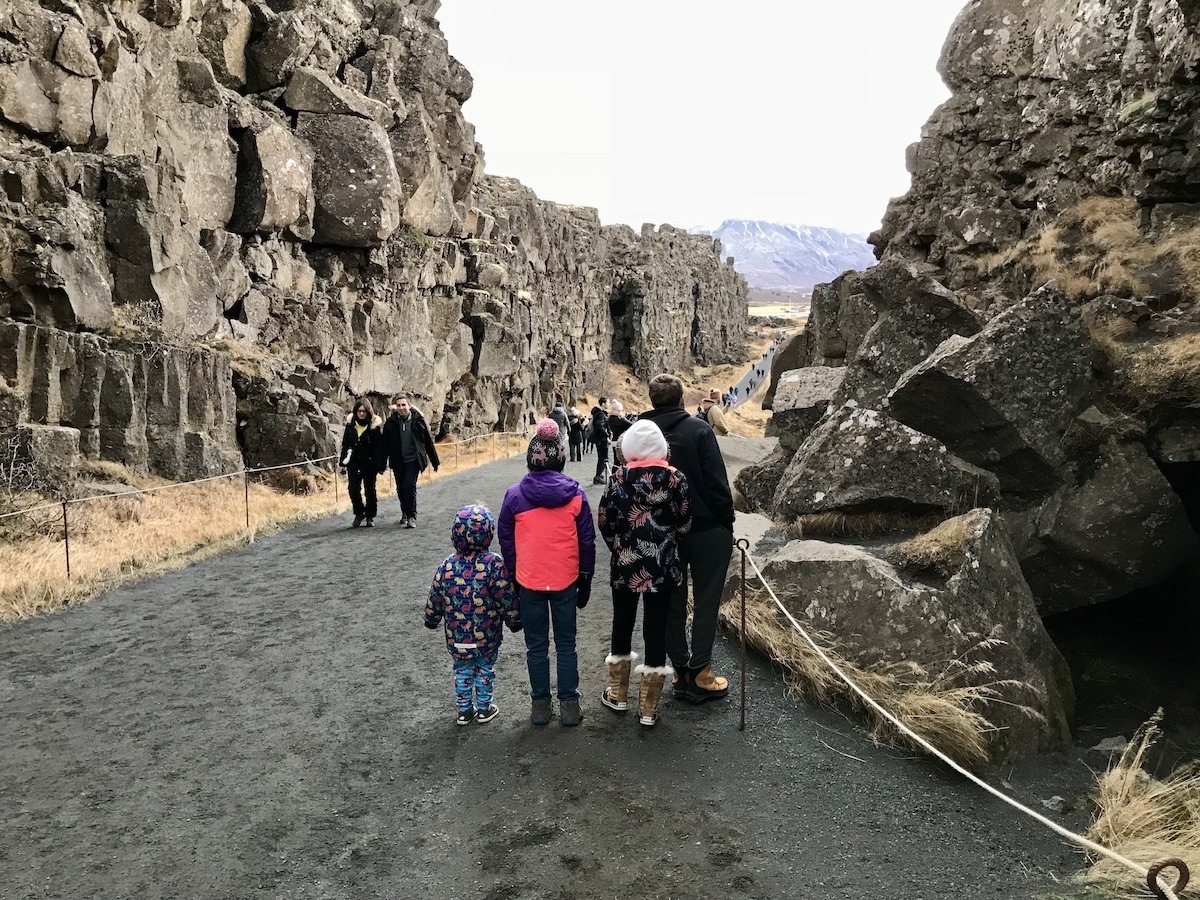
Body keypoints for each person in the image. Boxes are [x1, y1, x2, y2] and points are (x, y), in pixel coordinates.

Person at [638, 374, 735, 704]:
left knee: (671, 602)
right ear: (681, 400)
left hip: (661, 532)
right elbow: (717, 483)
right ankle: (701, 672)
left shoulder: (636, 434)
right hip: (707, 527)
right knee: (707, 600)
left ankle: (679, 670)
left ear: (653, 400)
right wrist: (727, 523)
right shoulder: (699, 430)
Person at [498, 419, 596, 727]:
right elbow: (587, 541)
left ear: (530, 459)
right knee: (566, 643)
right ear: (563, 459)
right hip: (566, 579)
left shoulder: (514, 496)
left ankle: (540, 706)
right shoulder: (576, 496)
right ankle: (569, 706)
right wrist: (586, 578)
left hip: (529, 581)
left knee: (536, 645)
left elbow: (506, 540)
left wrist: (514, 574)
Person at [597, 420, 691, 727]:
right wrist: (670, 542)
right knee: (656, 629)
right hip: (662, 567)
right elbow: (686, 522)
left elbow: (605, 521)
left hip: (626, 565)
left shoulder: (618, 478)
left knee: (622, 623)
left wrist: (618, 547)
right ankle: (649, 708)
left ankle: (618, 694)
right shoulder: (677, 479)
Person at [424, 504, 521, 725]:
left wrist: (431, 619)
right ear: (488, 533)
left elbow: (435, 596)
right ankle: (485, 708)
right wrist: (514, 620)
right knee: (485, 669)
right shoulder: (494, 564)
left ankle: (464, 710)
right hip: (486, 636)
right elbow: (504, 596)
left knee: (462, 670)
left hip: (457, 637)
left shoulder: (447, 565)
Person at [382, 394, 440, 529]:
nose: (401, 408)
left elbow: (427, 441)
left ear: (409, 406)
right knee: (401, 489)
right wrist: (381, 463)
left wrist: (434, 460)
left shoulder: (418, 420)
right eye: (398, 405)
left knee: (409, 486)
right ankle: (405, 511)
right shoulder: (390, 423)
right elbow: (384, 445)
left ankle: (411, 516)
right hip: (398, 460)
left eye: (404, 405)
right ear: (395, 407)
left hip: (413, 459)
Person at [338, 398, 386, 528]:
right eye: (359, 411)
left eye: (364, 411)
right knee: (353, 489)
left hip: (369, 463)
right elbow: (345, 444)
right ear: (356, 411)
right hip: (353, 462)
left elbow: (378, 448)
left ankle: (370, 516)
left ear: (368, 412)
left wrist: (380, 466)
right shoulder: (350, 425)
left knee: (370, 490)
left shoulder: (374, 427)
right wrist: (342, 463)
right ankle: (359, 513)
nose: (362, 414)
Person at [589, 401, 610, 485]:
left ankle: (599, 475)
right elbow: (599, 426)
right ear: (603, 403)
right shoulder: (600, 414)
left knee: (601, 458)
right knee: (603, 458)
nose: (608, 404)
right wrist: (607, 435)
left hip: (598, 439)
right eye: (607, 403)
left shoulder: (596, 413)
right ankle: (598, 476)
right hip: (602, 439)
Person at [607, 400, 633, 468]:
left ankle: (613, 476)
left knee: (616, 461)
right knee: (621, 462)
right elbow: (632, 425)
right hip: (621, 441)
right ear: (619, 410)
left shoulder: (610, 419)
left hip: (614, 440)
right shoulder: (620, 419)